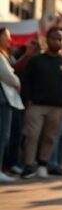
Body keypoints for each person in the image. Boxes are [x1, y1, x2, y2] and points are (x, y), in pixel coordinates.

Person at [19, 27, 62, 179]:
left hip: (57, 107)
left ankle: (43, 164)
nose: (57, 41)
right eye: (54, 38)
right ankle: (28, 165)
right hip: (36, 105)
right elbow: (26, 80)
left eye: (59, 39)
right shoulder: (36, 60)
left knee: (50, 137)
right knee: (32, 135)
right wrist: (28, 99)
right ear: (47, 40)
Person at [0, 28, 23, 183]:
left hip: (6, 100)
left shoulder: (5, 55)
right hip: (2, 100)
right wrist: (17, 82)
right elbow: (8, 76)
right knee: (2, 135)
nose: (10, 40)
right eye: (6, 37)